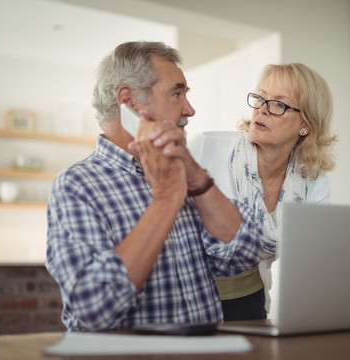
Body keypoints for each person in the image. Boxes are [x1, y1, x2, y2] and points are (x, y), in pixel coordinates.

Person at [45, 41, 263, 331]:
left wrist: (197, 180)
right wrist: (165, 198)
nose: (190, 109)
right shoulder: (77, 186)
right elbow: (95, 307)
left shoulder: (184, 173)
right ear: (129, 102)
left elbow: (243, 256)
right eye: (176, 93)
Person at [188, 63, 350, 320]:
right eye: (261, 98)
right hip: (188, 294)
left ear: (305, 125)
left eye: (279, 104)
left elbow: (319, 257)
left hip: (248, 299)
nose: (262, 109)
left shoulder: (312, 178)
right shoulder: (205, 148)